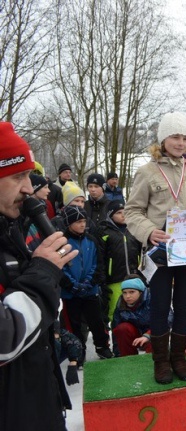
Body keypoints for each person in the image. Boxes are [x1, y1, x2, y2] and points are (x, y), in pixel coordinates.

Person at [125, 111, 186, 384]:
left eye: (185, 137)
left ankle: (179, 356)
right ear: (163, 138)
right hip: (161, 253)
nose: (180, 142)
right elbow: (132, 211)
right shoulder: (147, 171)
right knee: (160, 306)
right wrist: (148, 231)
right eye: (175, 136)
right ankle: (161, 360)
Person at [0, 121, 78, 430]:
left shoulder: (10, 227)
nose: (27, 188)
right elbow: (5, 338)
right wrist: (44, 271)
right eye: (17, 176)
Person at [59, 205, 113, 361]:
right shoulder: (63, 242)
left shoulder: (91, 240)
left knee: (97, 321)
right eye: (78, 222)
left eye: (84, 221)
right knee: (75, 324)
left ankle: (102, 347)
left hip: (90, 290)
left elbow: (98, 263)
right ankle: (78, 351)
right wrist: (72, 284)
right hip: (71, 292)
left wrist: (90, 281)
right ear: (69, 223)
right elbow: (60, 267)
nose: (82, 224)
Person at [98, 199, 141, 323]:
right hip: (115, 279)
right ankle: (116, 339)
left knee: (135, 310)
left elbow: (141, 252)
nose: (123, 215)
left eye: (125, 212)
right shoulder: (104, 232)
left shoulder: (133, 229)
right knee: (115, 311)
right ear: (111, 215)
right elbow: (100, 258)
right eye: (119, 212)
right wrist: (102, 280)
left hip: (134, 277)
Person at [111, 277, 153, 357]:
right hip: (135, 336)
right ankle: (128, 359)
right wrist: (117, 352)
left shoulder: (153, 298)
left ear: (140, 292)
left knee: (156, 338)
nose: (127, 296)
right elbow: (115, 327)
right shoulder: (121, 303)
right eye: (124, 292)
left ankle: (155, 360)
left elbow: (167, 320)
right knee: (122, 328)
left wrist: (148, 335)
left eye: (132, 292)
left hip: (153, 334)